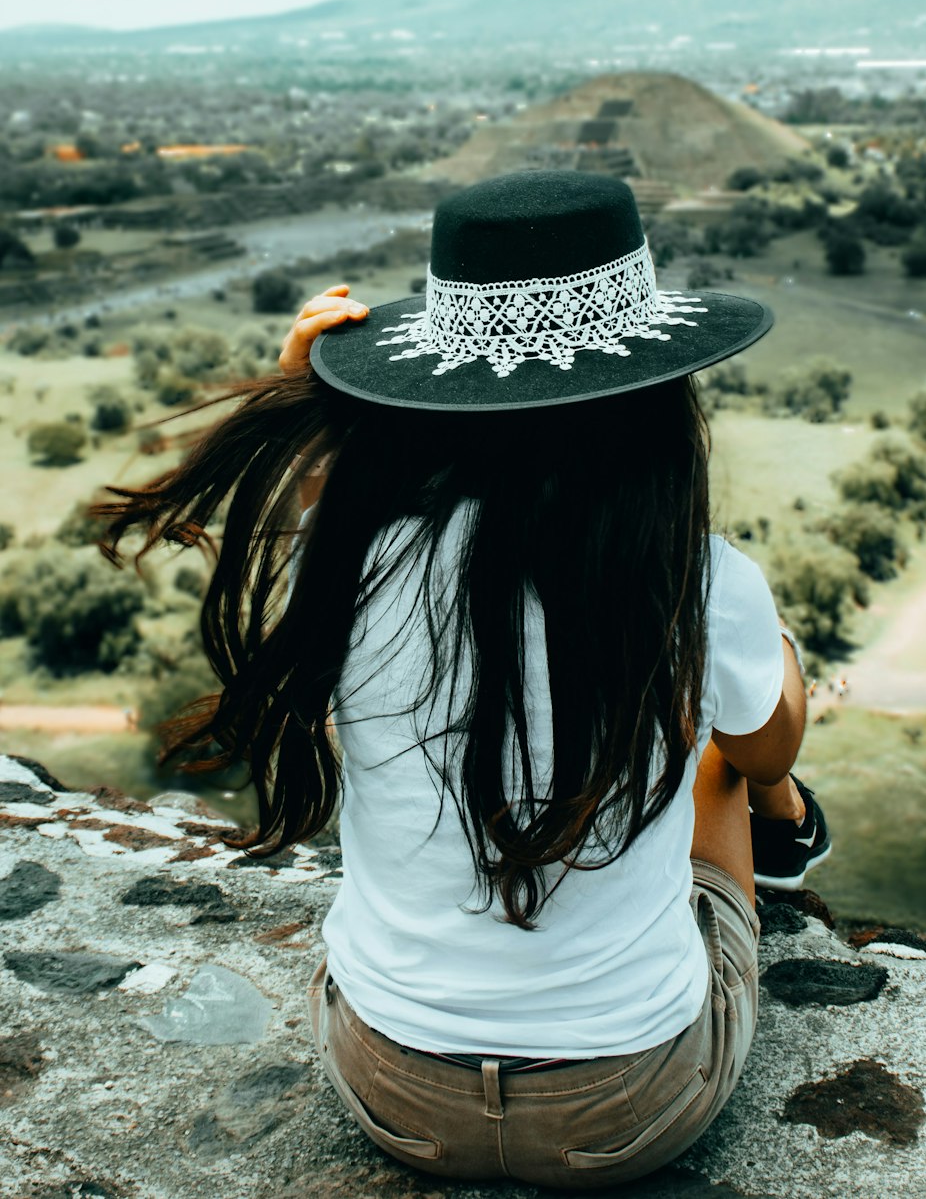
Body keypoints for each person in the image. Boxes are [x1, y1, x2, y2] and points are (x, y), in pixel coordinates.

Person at [96, 172, 830, 1189]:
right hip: (634, 1107)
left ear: (439, 398)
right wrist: (771, 660)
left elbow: (322, 499)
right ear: (658, 397)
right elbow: (767, 745)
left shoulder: (351, 561)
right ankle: (791, 840)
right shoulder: (697, 579)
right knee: (718, 763)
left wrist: (314, 397)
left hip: (388, 1093)